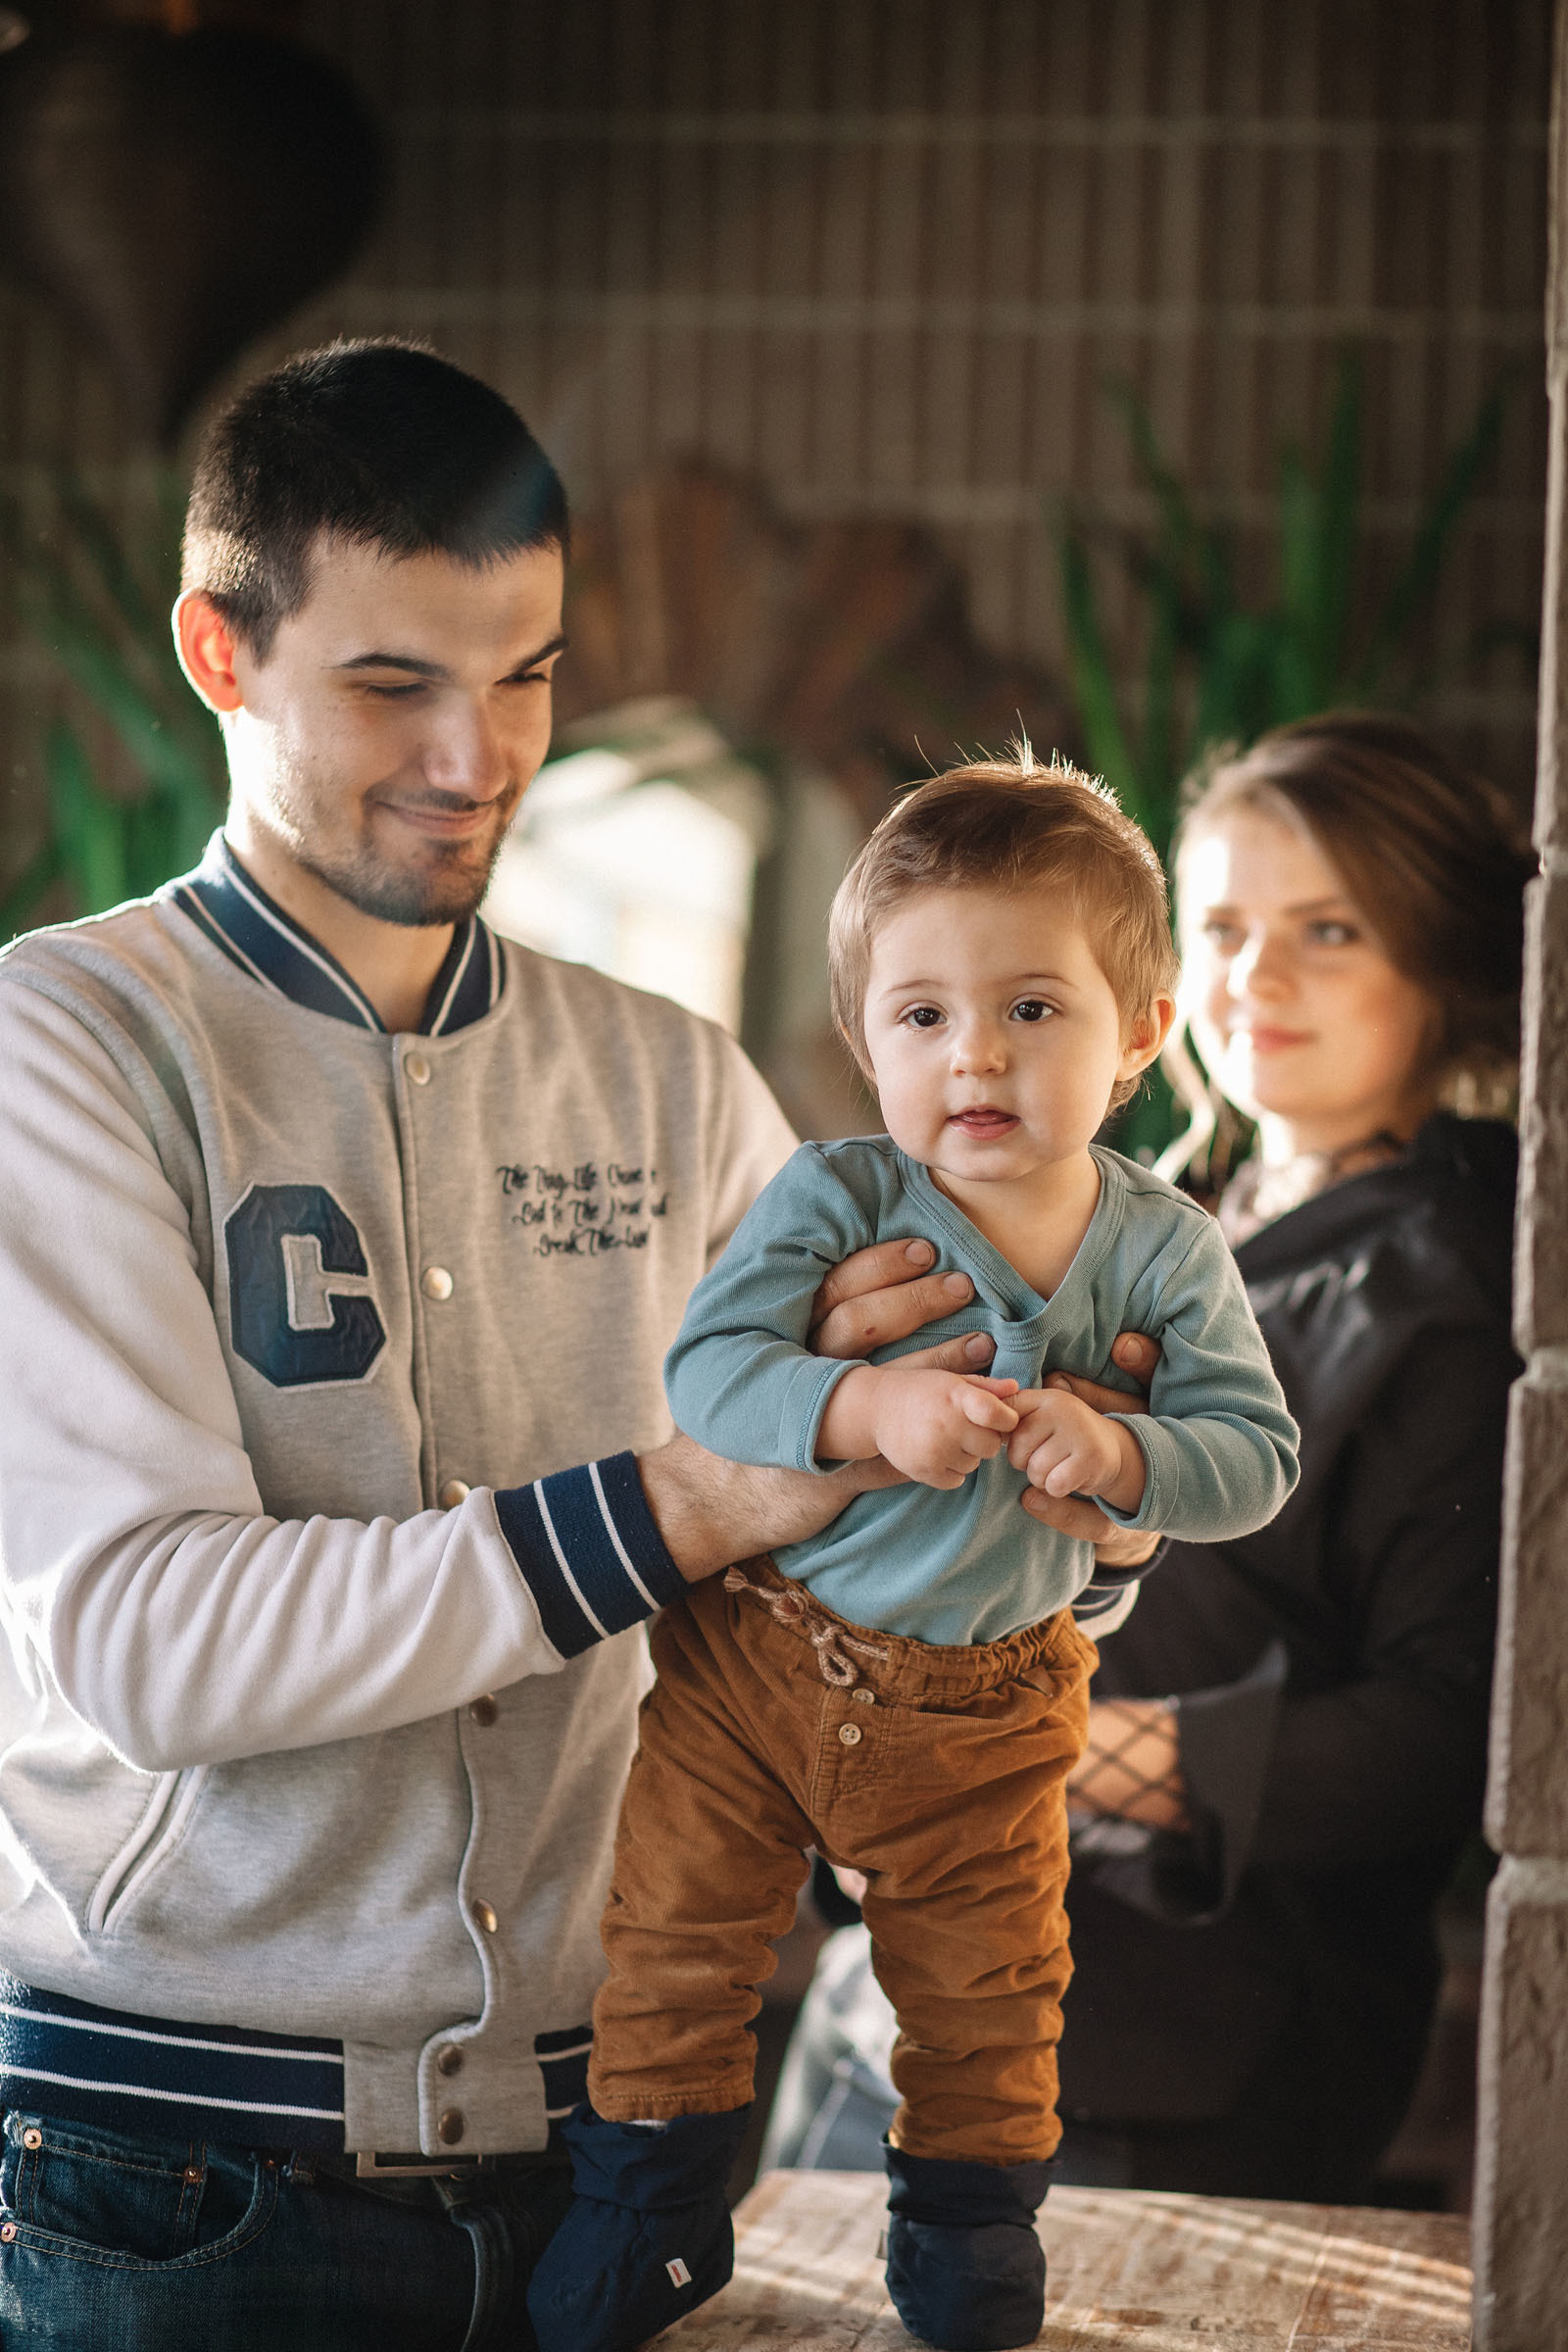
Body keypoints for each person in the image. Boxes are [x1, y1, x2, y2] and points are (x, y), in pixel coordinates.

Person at [0, 340, 1128, 2350]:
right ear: (216, 652)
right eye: (391, 684)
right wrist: (691, 1493)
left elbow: (843, 1534)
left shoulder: (667, 1078)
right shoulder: (65, 1049)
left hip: (602, 2186)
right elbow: (152, 1646)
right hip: (175, 2200)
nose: (476, 753)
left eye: (521, 671)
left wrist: (1056, 1462)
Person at [527, 758, 1298, 2352]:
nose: (976, 1058)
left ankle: (964, 2249)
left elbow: (1259, 1458)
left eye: (1032, 1007)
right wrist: (862, 1401)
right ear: (866, 1037)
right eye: (924, 1016)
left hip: (990, 1707)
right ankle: (650, 2215)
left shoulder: (1164, 1250)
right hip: (759, 1665)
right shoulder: (839, 1191)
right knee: (674, 1941)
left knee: (990, 1996)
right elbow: (712, 1374)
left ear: (1141, 1034)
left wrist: (1136, 1454)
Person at [764, 712, 1530, 2208]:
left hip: (1167, 2056)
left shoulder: (1449, 1301)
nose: (1259, 975)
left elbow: (1451, 1734)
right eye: (1229, 924)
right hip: (903, 1975)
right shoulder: (1137, 1209)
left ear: (1436, 961)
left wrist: (1052, 1763)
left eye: (1330, 928)